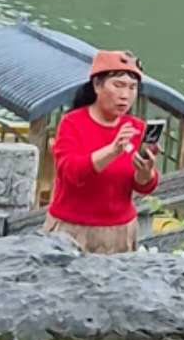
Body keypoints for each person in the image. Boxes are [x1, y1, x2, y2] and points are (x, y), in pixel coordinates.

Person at [43, 50, 161, 254]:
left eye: (132, 88)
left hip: (120, 232)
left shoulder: (136, 128)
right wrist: (113, 150)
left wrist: (146, 173)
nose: (125, 95)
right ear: (97, 85)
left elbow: (143, 186)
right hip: (73, 229)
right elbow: (71, 173)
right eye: (118, 85)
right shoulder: (72, 123)